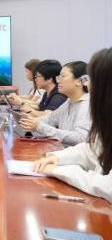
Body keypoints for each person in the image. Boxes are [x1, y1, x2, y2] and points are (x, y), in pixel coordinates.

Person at [32, 48, 112, 203]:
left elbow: (108, 187)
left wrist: (61, 170)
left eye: (91, 79)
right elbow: (93, 149)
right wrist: (57, 157)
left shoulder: (87, 105)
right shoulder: (71, 103)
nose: (88, 85)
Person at [19, 61, 90, 146]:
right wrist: (29, 121)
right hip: (62, 150)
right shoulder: (69, 102)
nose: (58, 81)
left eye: (63, 76)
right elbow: (50, 119)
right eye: (59, 77)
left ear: (79, 81)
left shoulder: (87, 105)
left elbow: (81, 138)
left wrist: (39, 127)